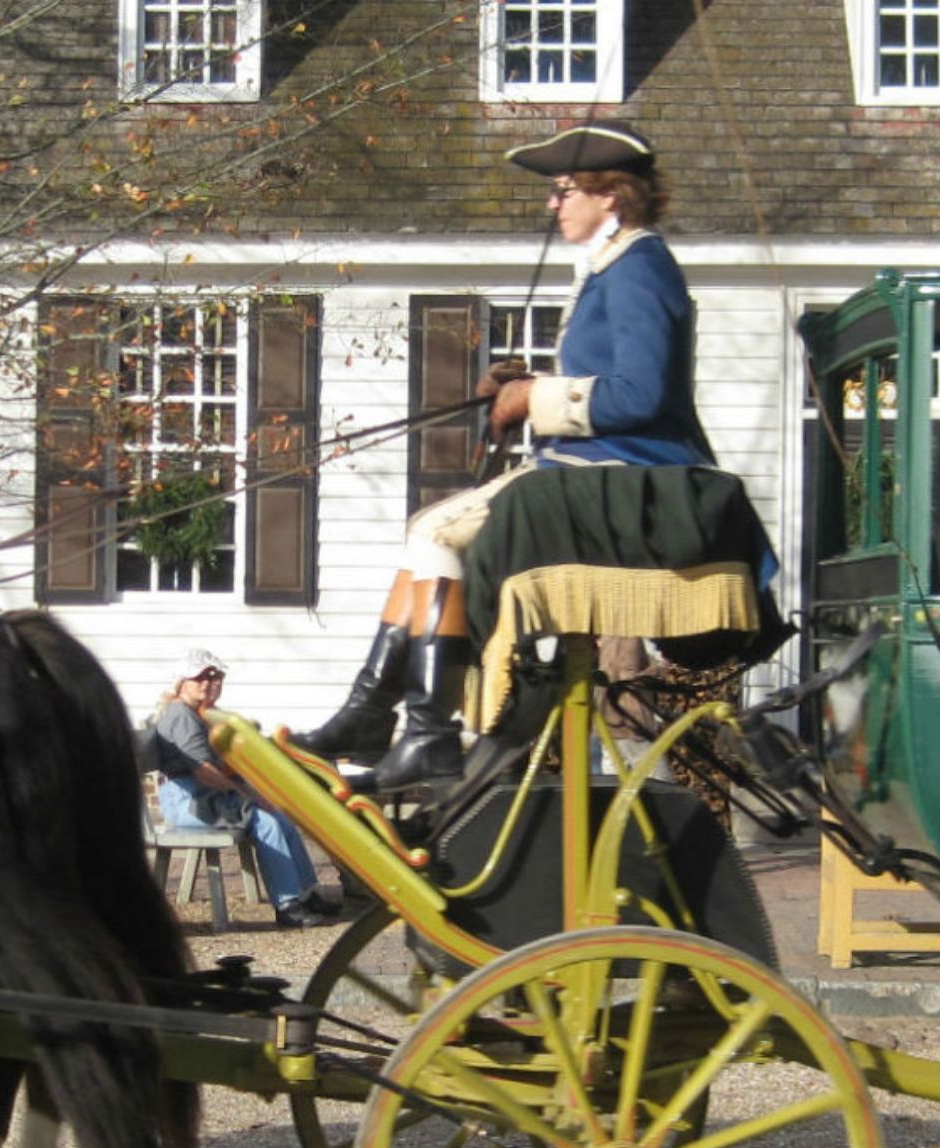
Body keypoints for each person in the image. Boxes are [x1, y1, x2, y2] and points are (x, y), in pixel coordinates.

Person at [294, 122, 712, 790]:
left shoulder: (640, 267)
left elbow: (642, 394)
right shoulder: (618, 267)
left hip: (637, 487)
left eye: (564, 191)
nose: (553, 206)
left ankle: (421, 732)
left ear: (610, 196)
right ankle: (373, 713)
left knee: (435, 533)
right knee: (427, 533)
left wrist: (533, 398)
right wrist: (520, 383)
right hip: (602, 476)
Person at [148, 650, 338, 928]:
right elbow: (205, 771)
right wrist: (249, 794)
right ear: (182, 682)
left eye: (215, 677)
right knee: (267, 822)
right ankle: (287, 905)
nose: (209, 682)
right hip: (189, 800)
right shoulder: (181, 715)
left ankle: (307, 893)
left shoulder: (202, 714)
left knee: (281, 817)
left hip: (205, 795)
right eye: (200, 677)